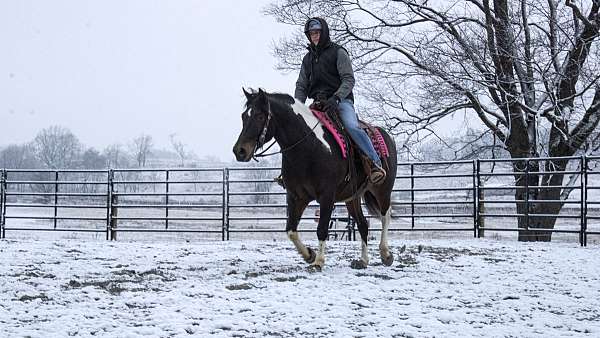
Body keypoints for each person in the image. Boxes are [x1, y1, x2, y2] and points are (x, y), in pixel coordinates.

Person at [294, 17, 386, 184]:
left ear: (324, 33)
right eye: (311, 33)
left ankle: (374, 162)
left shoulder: (338, 52)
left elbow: (348, 79)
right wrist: (297, 107)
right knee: (297, 130)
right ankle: (293, 172)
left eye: (317, 32)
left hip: (341, 101)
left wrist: (336, 97)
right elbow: (301, 85)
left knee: (351, 126)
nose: (314, 36)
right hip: (318, 104)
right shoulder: (307, 59)